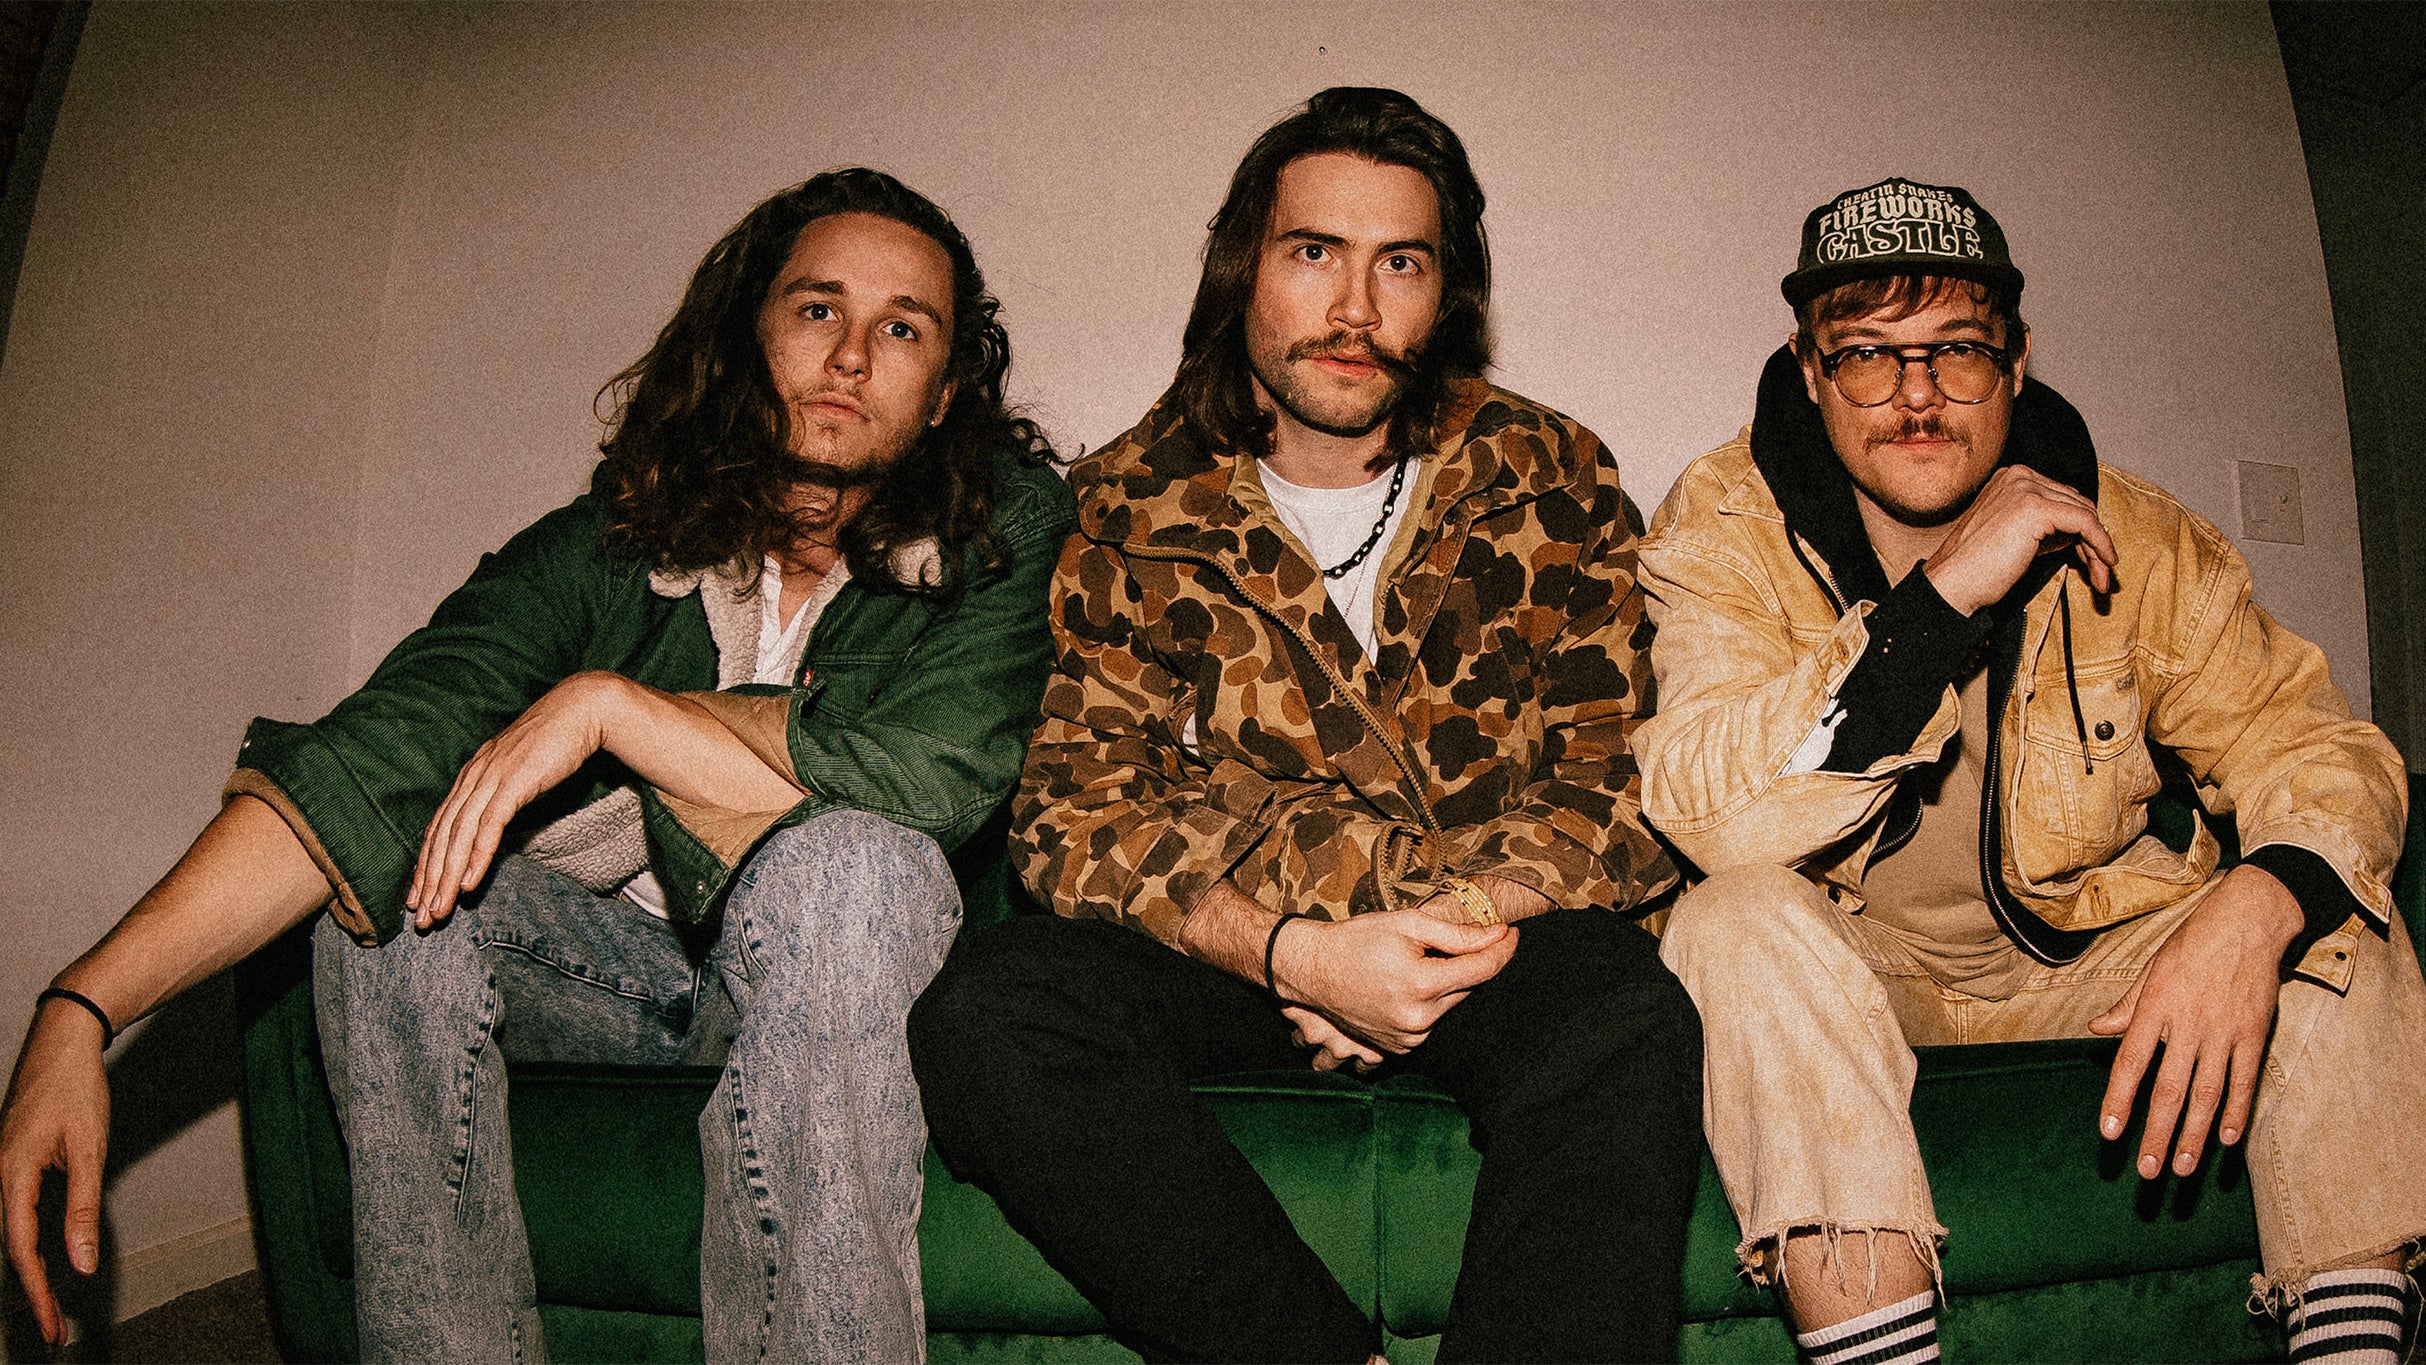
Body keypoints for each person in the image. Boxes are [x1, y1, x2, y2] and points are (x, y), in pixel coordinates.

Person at [0, 168, 1075, 1363]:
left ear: (942, 394)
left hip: (843, 982)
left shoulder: (1007, 530)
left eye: (903, 328)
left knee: (852, 867)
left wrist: (613, 710)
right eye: (817, 308)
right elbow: (379, 753)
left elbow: (928, 777)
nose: (852, 355)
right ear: (748, 337)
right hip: (615, 973)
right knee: (394, 901)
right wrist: (84, 1005)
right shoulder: (614, 543)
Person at [909, 87, 1702, 1364]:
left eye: (1401, 263)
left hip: (1485, 943)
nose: (1355, 308)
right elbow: (1074, 816)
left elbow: (1613, 789)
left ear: (1446, 293)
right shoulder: (1130, 502)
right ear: (1243, 270)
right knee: (990, 1008)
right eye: (1313, 252)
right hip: (1243, 955)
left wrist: (1418, 947)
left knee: (1626, 1010)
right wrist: (1298, 959)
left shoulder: (1547, 476)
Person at [1635, 176, 2426, 1365]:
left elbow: (2316, 748)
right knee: (1728, 916)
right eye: (1866, 354)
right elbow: (1708, 811)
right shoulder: (1723, 523)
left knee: (2334, 913)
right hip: (1851, 966)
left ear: (2012, 363)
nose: (1914, 396)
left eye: (1955, 350)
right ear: (1807, 372)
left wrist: (2257, 905)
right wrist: (1944, 593)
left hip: (2077, 960)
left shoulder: (2140, 535)